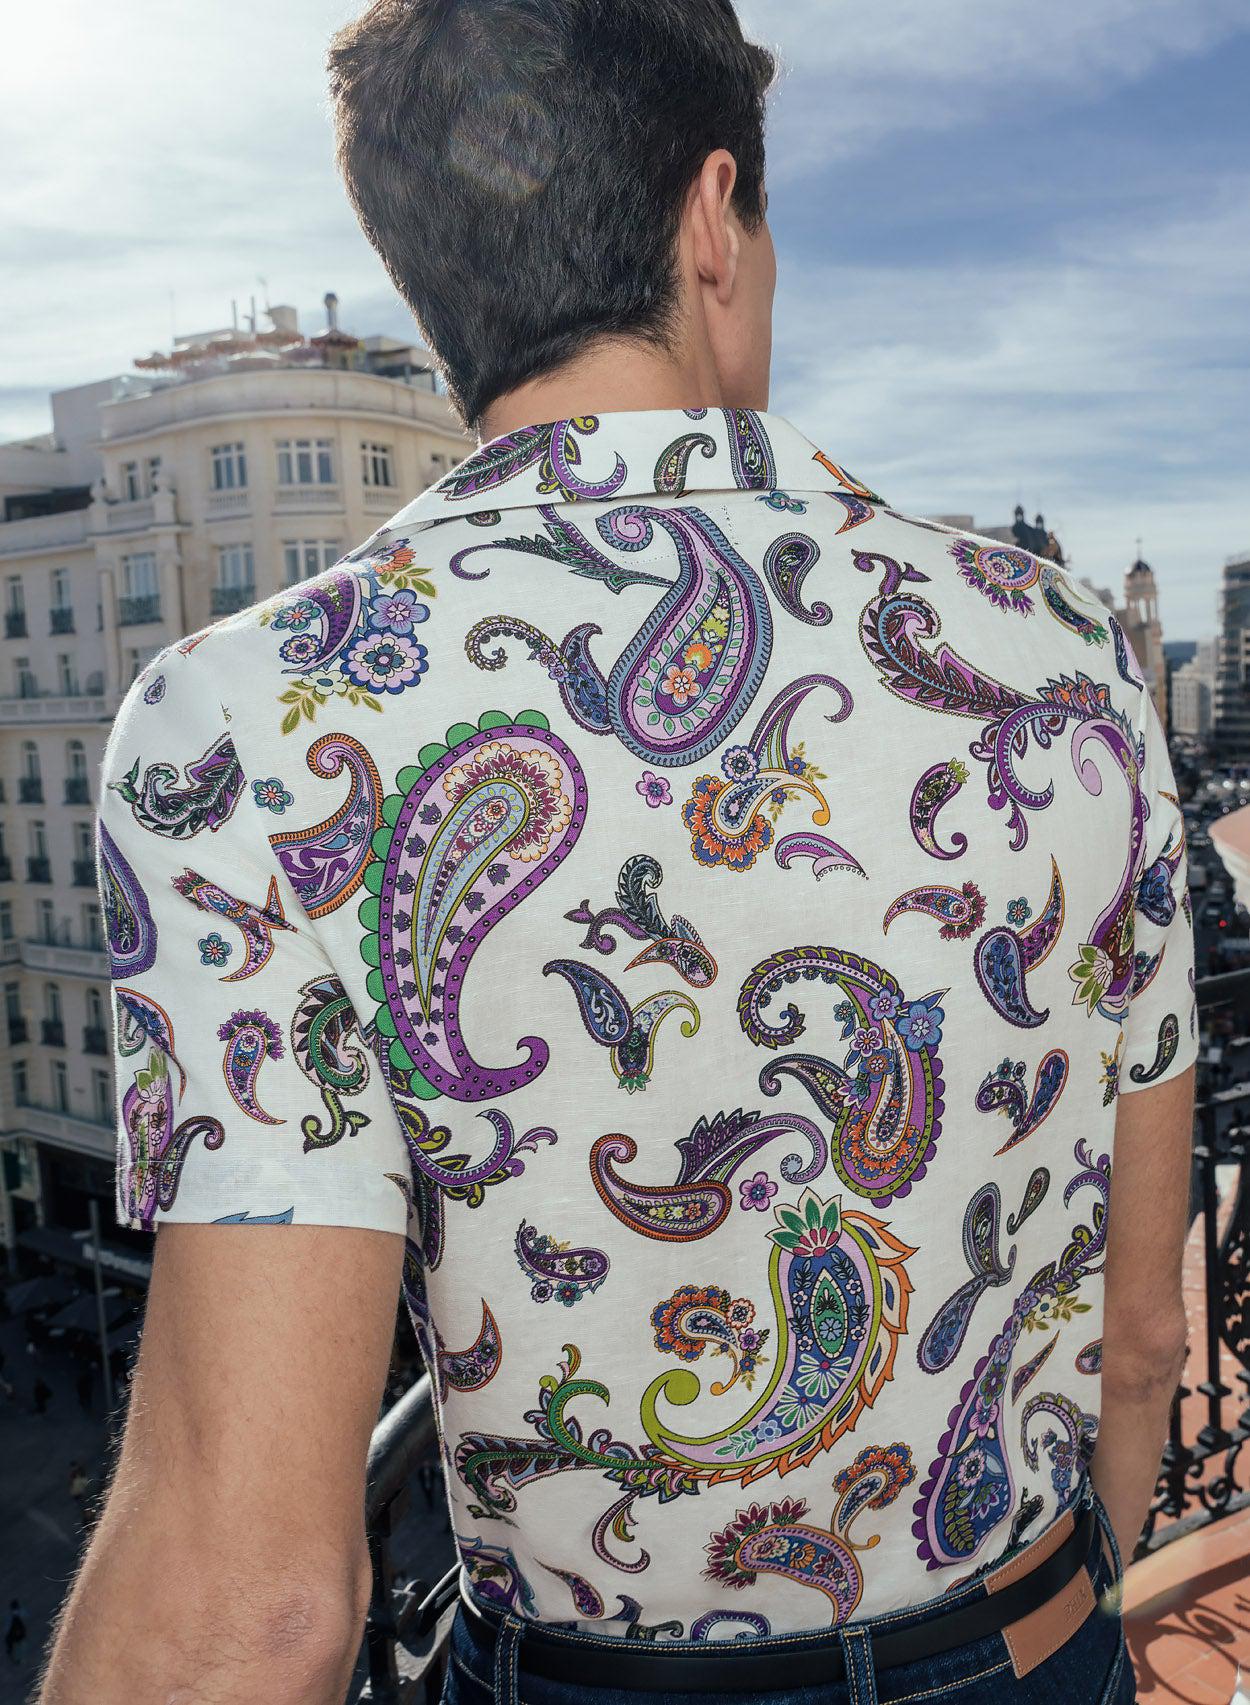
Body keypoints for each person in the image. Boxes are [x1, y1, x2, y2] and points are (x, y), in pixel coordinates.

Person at [43, 3, 1196, 1703]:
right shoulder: (1067, 650)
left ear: (432, 277)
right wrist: (1066, 1623)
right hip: (1024, 1644)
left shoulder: (252, 721)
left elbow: (256, 1601)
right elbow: (1145, 1336)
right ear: (714, 217)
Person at [5, 1600, 26, 1666]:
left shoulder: (16, 1618)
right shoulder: (16, 1617)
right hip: (16, 1635)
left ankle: (16, 1658)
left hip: (16, 1635)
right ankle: (16, 1659)